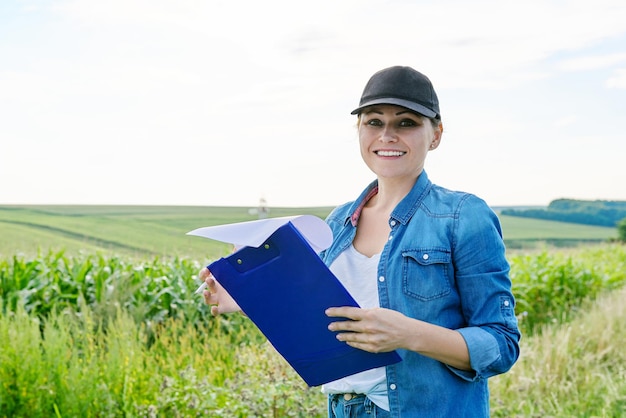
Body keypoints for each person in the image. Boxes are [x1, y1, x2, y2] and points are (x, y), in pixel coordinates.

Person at [199, 65, 521, 417]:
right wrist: (252, 298)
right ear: (359, 130)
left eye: (406, 122)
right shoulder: (337, 223)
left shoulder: (462, 216)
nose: (387, 135)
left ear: (436, 134)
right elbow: (321, 318)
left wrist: (408, 334)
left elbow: (500, 344)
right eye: (374, 122)